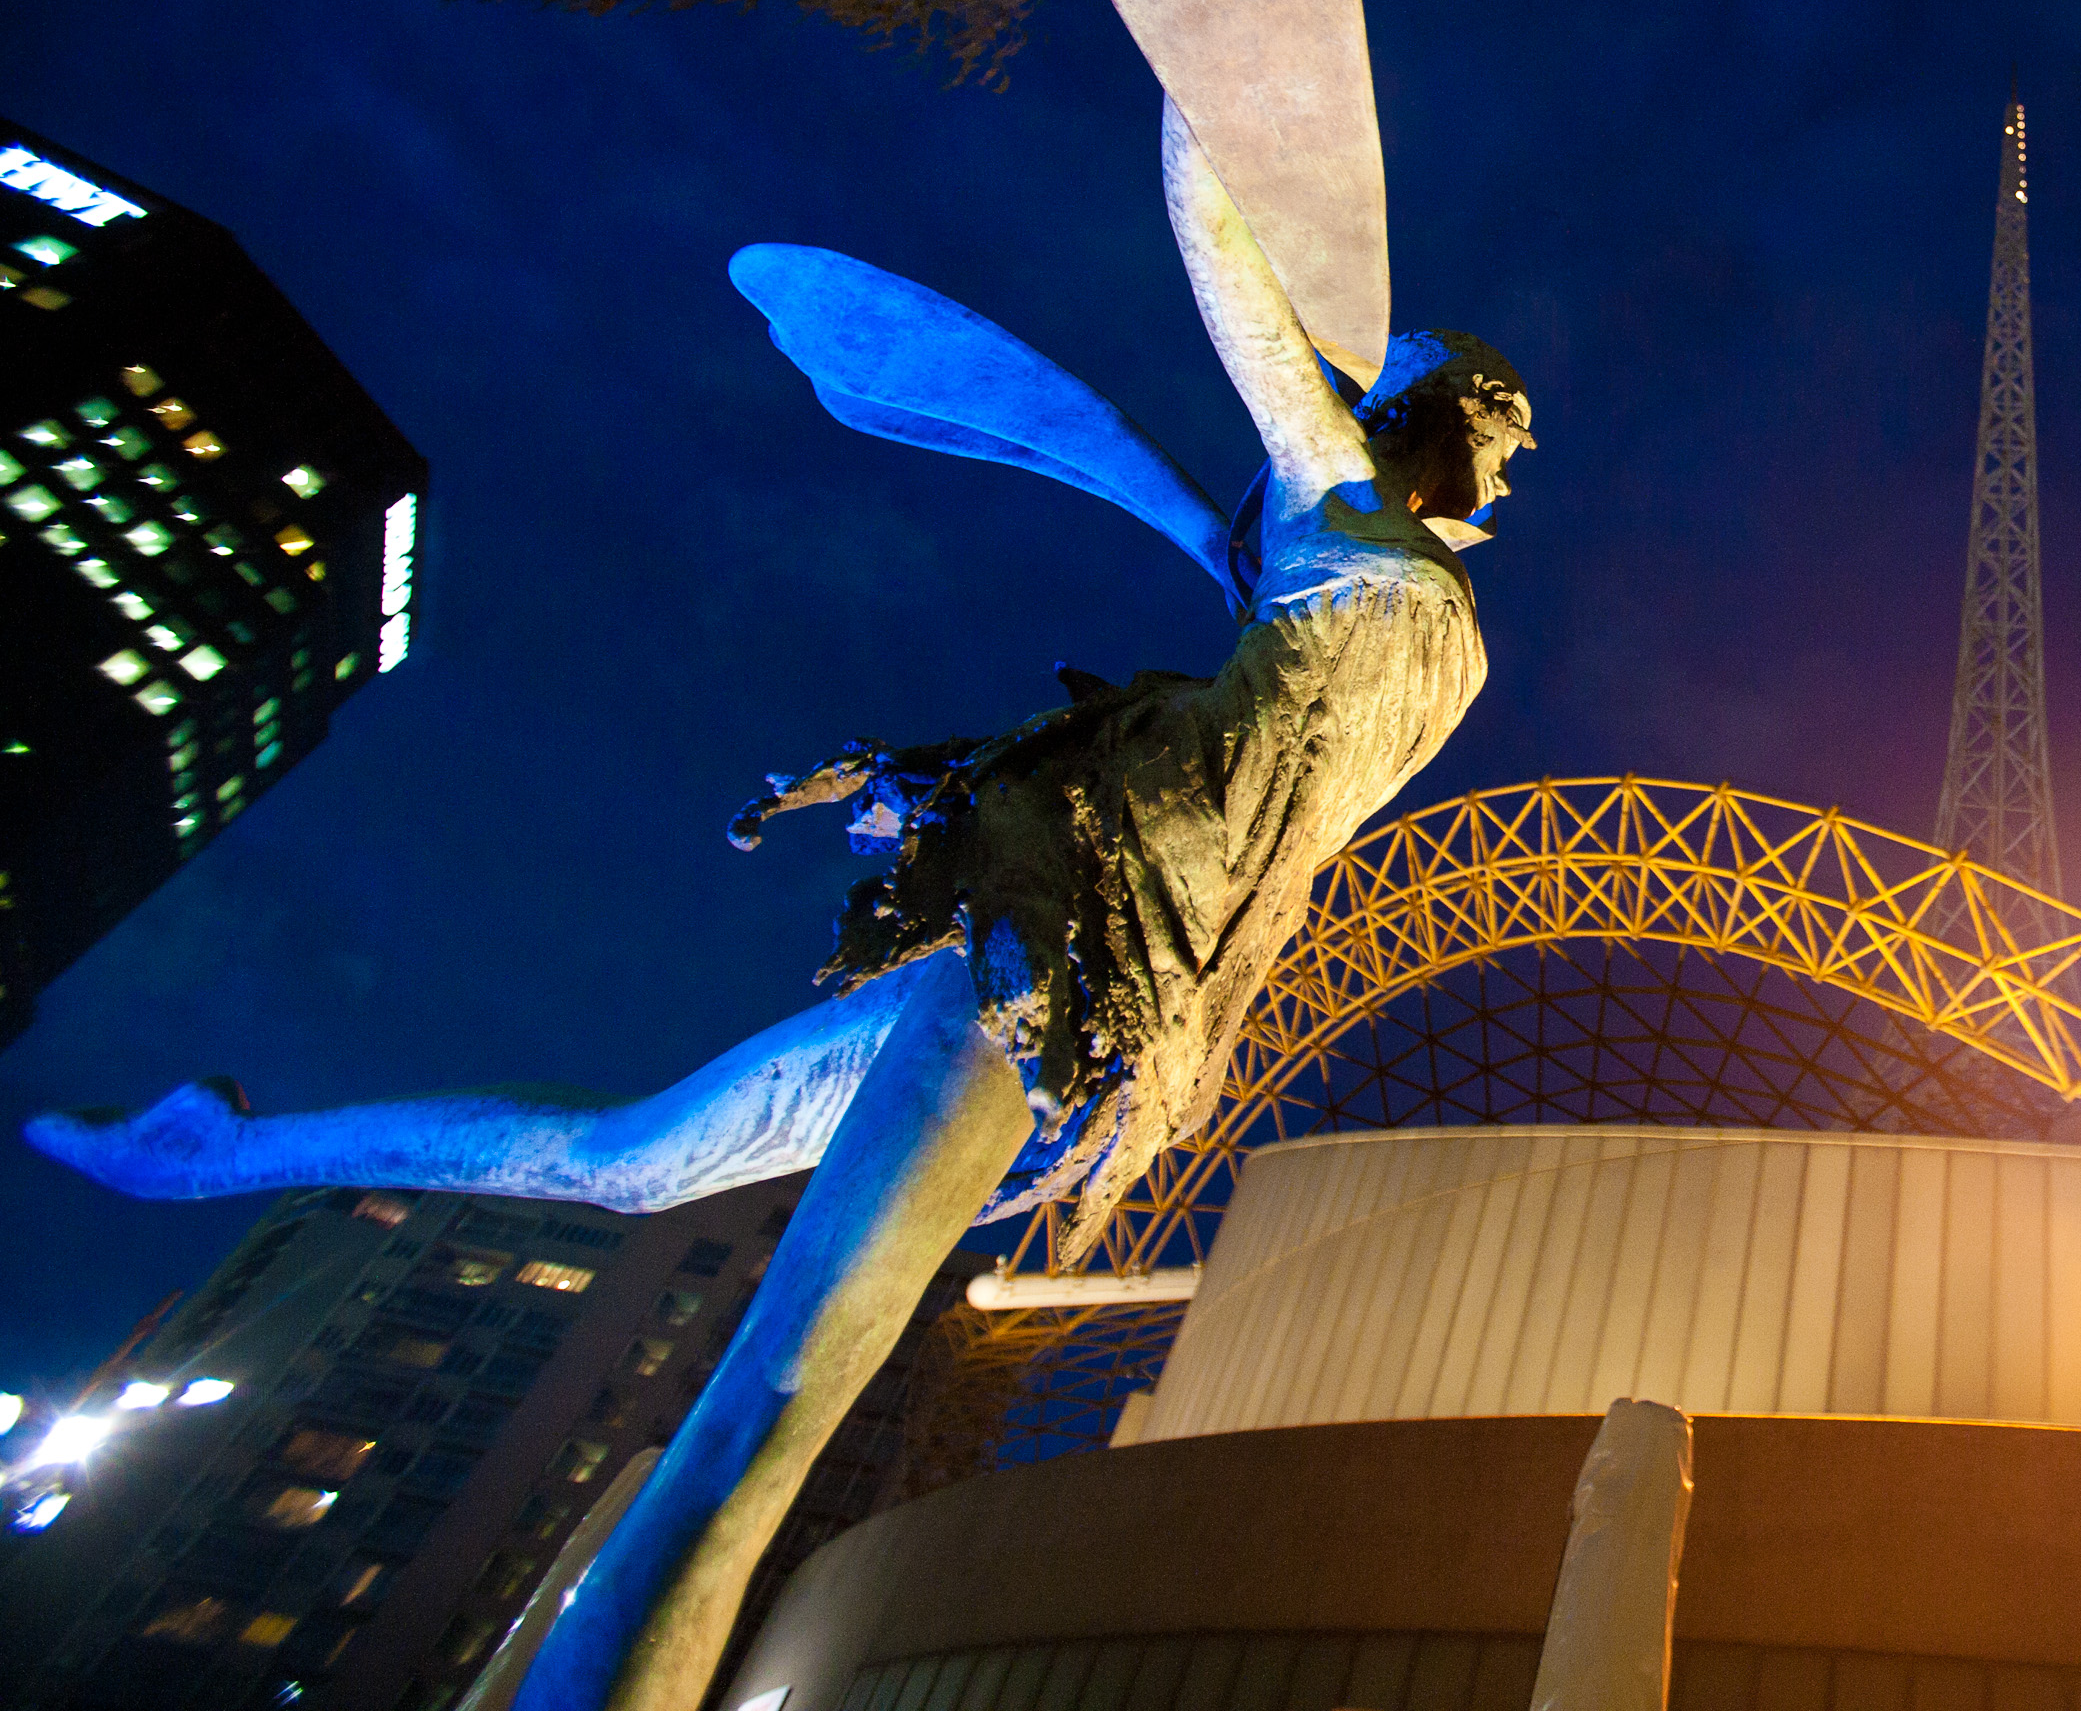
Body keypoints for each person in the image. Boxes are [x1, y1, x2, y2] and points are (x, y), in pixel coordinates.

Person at [28, 130, 1534, 1711]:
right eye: (1498, 430)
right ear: (1426, 419)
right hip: (1056, 980)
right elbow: (1218, 256)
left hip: (1107, 989)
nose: (1509, 469)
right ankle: (223, 1156)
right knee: (760, 1418)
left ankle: (227, 1153)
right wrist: (1210, 57)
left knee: (629, 1170)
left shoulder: (1374, 567)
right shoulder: (1343, 509)